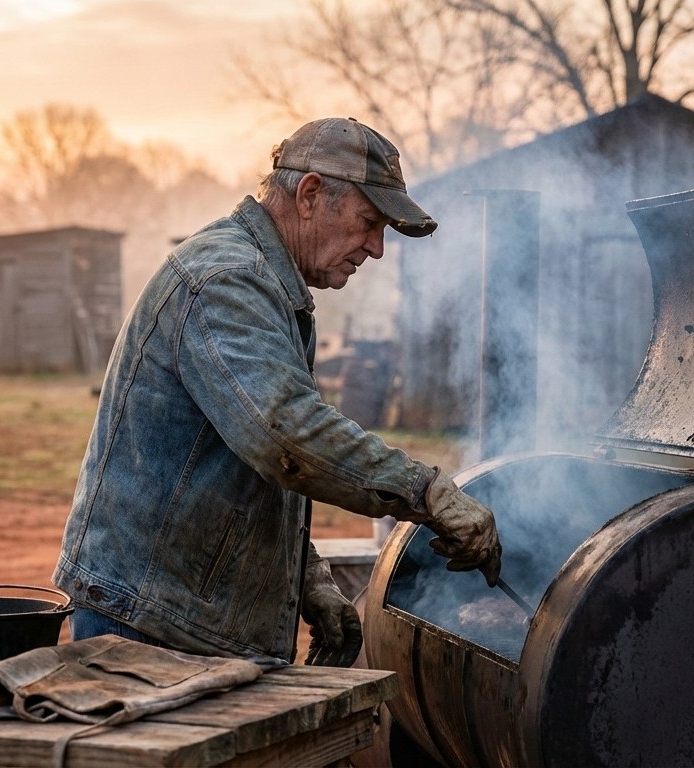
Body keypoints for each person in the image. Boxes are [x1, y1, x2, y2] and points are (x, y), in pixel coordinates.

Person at [53, 117, 501, 667]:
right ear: (311, 193)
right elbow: (285, 437)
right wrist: (428, 493)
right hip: (151, 623)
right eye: (369, 222)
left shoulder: (266, 282)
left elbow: (243, 469)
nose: (378, 249)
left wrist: (305, 579)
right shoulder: (226, 280)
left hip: (179, 612)